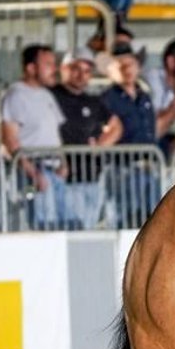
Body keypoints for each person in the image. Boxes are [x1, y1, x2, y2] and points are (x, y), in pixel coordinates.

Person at [52, 47, 123, 229]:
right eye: (75, 68)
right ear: (64, 69)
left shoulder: (93, 101)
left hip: (92, 177)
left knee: (88, 230)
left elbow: (116, 126)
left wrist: (99, 145)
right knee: (70, 230)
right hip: (64, 180)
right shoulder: (51, 96)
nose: (81, 75)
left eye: (86, 70)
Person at [0, 43, 68, 230]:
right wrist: (33, 173)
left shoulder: (47, 95)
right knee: (42, 227)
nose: (54, 69)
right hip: (34, 171)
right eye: (48, 64)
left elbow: (55, 134)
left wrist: (64, 163)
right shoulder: (16, 96)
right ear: (31, 68)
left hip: (54, 171)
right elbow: (11, 140)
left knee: (61, 227)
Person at [102, 44, 161, 228]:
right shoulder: (106, 98)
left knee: (152, 221)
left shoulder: (145, 97)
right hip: (122, 169)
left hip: (148, 168)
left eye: (130, 64)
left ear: (138, 66)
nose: (127, 69)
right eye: (121, 65)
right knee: (123, 220)